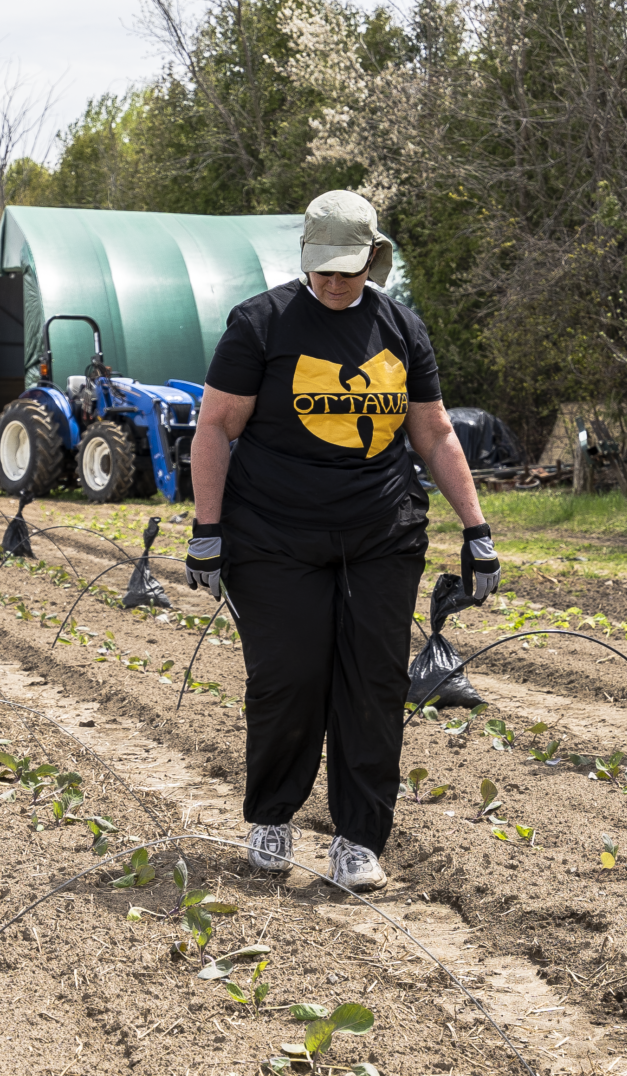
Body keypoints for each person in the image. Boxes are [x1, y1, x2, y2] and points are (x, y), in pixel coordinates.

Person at [186, 190, 499, 893]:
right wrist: (208, 530)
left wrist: (476, 529)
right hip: (274, 535)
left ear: (373, 259)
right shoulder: (260, 325)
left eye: (348, 270)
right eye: (321, 268)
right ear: (304, 254)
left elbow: (434, 431)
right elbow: (215, 428)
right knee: (288, 677)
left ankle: (358, 839)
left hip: (380, 533)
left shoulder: (400, 328)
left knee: (374, 684)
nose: (333, 283)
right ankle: (272, 815)